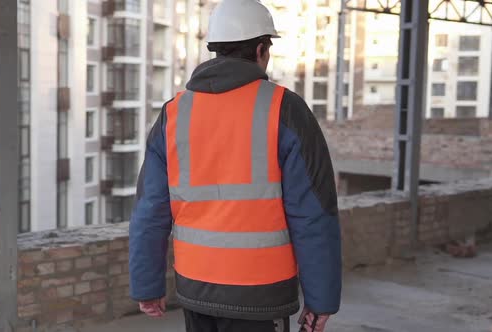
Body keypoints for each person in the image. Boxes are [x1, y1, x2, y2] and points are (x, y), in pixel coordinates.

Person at [128, 0, 342, 331]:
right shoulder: (285, 110)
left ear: (215, 50)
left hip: (196, 290)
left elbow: (150, 211)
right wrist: (321, 299)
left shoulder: (173, 115)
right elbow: (313, 213)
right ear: (261, 49)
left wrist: (147, 286)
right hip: (260, 295)